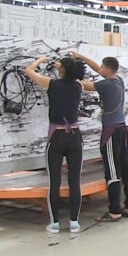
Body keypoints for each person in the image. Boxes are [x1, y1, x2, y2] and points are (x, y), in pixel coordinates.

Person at [70, 51, 128, 223]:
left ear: (107, 68)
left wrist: (66, 74)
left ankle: (114, 211)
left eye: (102, 67)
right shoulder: (118, 80)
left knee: (112, 171)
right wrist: (82, 58)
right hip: (122, 130)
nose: (100, 69)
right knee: (126, 167)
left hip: (111, 132)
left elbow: (83, 85)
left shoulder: (105, 85)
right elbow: (98, 70)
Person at [23, 56, 86, 234]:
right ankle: (74, 223)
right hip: (75, 137)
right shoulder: (79, 85)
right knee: (75, 182)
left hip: (56, 137)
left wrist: (40, 59)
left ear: (62, 70)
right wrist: (64, 67)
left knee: (55, 182)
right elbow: (72, 76)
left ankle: (55, 224)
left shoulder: (51, 84)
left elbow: (28, 71)